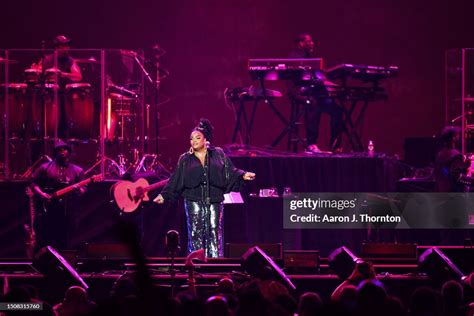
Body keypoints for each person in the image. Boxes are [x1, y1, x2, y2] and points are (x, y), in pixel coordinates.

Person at [153, 119, 256, 258]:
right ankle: (196, 265)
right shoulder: (185, 159)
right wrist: (164, 195)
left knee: (214, 233)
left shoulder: (218, 154)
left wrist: (243, 176)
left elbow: (230, 171)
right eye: (191, 138)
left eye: (197, 137)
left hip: (214, 200)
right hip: (193, 200)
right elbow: (175, 179)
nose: (193, 141)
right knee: (195, 233)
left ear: (205, 139)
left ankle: (215, 265)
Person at [288, 33, 343, 153]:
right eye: (309, 41)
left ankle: (335, 145)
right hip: (300, 92)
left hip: (314, 92)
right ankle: (311, 143)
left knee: (337, 110)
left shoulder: (309, 58)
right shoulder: (295, 56)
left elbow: (318, 78)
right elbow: (301, 78)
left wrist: (327, 83)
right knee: (314, 104)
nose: (312, 43)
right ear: (301, 43)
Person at [30, 140, 85, 252]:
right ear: (55, 153)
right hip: (47, 212)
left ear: (69, 152)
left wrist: (78, 190)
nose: (62, 152)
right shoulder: (44, 168)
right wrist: (41, 194)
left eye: (64, 149)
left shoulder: (77, 171)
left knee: (64, 242)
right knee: (45, 242)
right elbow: (33, 182)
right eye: (59, 150)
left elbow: (84, 189)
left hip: (67, 213)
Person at [434, 126, 472, 192]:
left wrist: (465, 165)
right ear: (454, 138)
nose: (458, 138)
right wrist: (472, 181)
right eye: (457, 136)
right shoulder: (456, 155)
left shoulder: (440, 154)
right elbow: (456, 176)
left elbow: (444, 172)